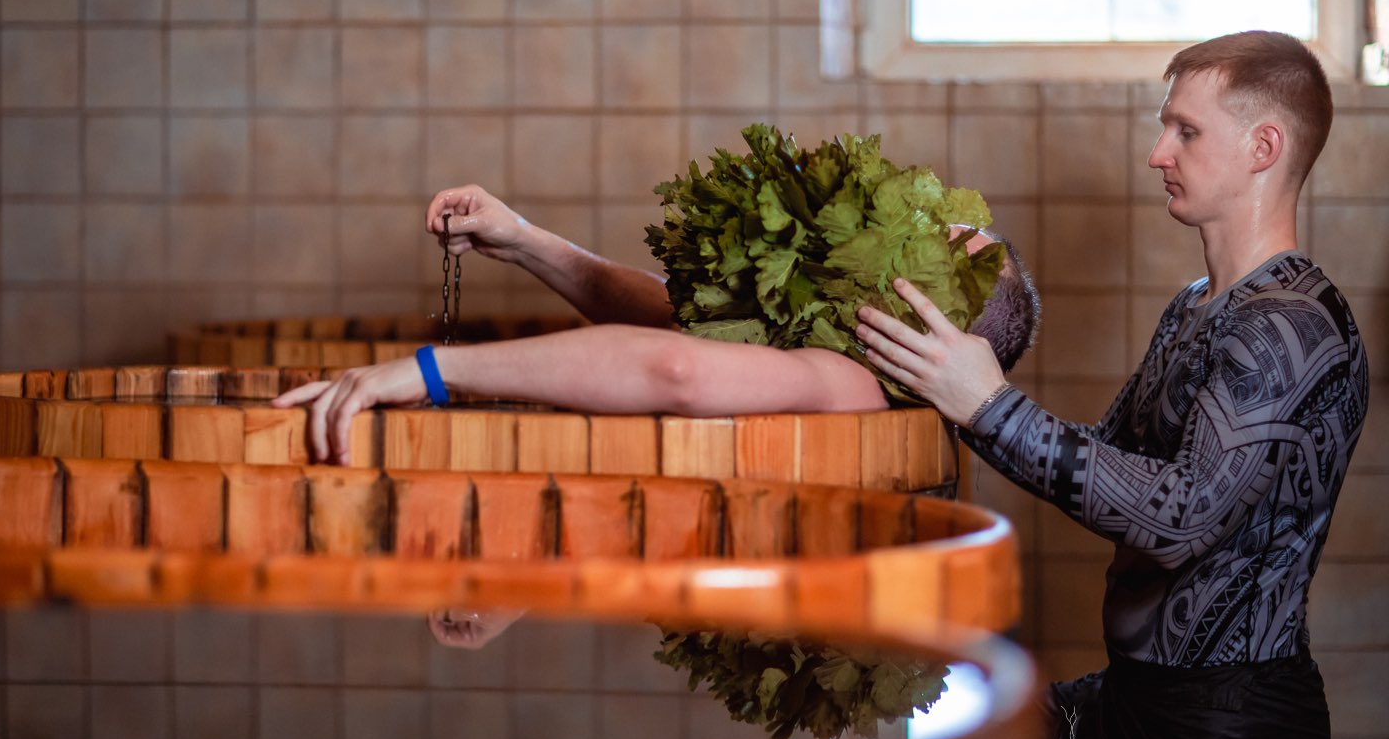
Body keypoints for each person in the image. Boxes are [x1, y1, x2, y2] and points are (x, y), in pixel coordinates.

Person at [855, 30, 1369, 739]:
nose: (1159, 153)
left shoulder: (1290, 325)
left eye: (1186, 131)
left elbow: (1179, 516)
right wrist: (946, 393)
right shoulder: (1198, 303)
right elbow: (1106, 462)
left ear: (1264, 146)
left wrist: (989, 406)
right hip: (1129, 705)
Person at [273, 184, 1040, 466]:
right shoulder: (826, 343)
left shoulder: (849, 379)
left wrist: (432, 370)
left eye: (928, 251)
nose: (905, 229)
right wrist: (527, 240)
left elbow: (675, 367)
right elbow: (670, 317)